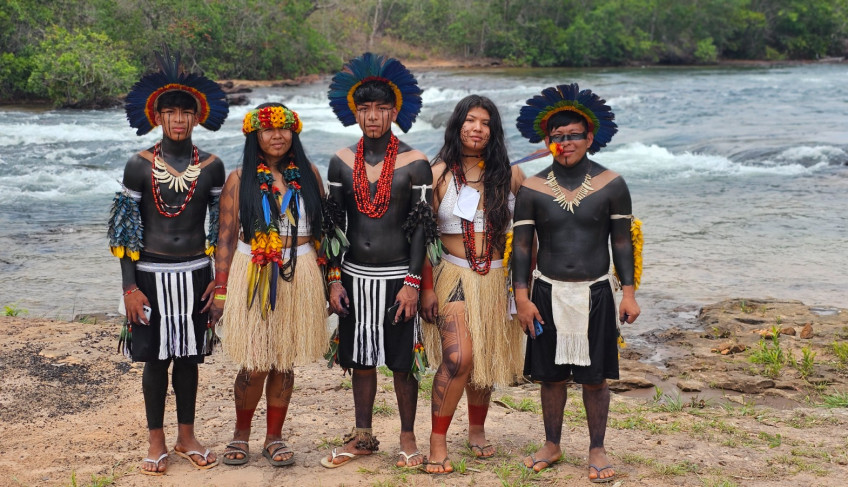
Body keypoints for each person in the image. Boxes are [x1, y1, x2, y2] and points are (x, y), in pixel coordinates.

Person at [511, 83, 642, 483]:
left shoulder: (612, 184)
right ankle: (552, 443)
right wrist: (521, 296)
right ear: (546, 141)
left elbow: (621, 241)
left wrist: (630, 292)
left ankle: (597, 447)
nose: (564, 143)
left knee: (595, 377)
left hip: (597, 292)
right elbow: (520, 247)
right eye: (556, 137)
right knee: (550, 376)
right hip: (546, 291)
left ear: (590, 138)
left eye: (572, 136)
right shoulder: (533, 188)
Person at [109, 47, 228, 475]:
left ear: (198, 118)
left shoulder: (213, 167)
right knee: (157, 359)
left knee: (190, 358)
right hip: (151, 275)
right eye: (170, 113)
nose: (178, 120)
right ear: (157, 117)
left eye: (185, 113)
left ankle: (187, 436)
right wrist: (129, 287)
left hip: (197, 274)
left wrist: (220, 283)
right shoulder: (138, 166)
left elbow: (223, 232)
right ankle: (155, 439)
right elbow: (124, 235)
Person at [320, 52, 435, 469]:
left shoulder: (415, 162)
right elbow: (333, 226)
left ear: (394, 110)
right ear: (354, 112)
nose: (373, 116)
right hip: (353, 276)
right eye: (365, 108)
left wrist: (413, 283)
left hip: (397, 277)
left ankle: (407, 438)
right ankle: (363, 436)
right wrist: (333, 281)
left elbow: (422, 229)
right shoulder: (340, 161)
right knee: (361, 358)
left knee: (403, 362)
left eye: (381, 108)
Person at [208, 103, 328, 467]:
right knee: (255, 360)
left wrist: (328, 280)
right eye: (268, 130)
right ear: (254, 136)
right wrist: (221, 288)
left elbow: (323, 233)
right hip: (254, 269)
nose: (277, 136)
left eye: (283, 129)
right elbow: (225, 238)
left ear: (294, 132)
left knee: (284, 360)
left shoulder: (309, 174)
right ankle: (240, 436)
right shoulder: (239, 177)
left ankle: (274, 437)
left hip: (302, 267)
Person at [418, 95, 526, 474]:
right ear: (457, 125)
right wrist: (425, 287)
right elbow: (422, 237)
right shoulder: (438, 174)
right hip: (453, 274)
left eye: (485, 122)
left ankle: (477, 428)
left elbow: (528, 234)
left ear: (493, 130)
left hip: (497, 277)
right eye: (470, 121)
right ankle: (437, 438)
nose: (477, 128)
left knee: (484, 357)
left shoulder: (511, 175)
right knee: (458, 357)